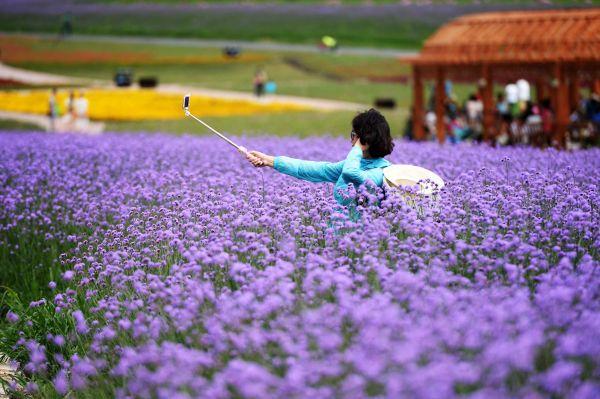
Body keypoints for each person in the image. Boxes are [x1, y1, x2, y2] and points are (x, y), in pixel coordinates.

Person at [244, 109, 394, 207]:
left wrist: (357, 149)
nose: (351, 140)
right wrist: (269, 160)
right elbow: (311, 169)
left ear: (365, 141)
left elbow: (351, 173)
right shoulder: (355, 164)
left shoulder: (382, 173)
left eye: (354, 136)